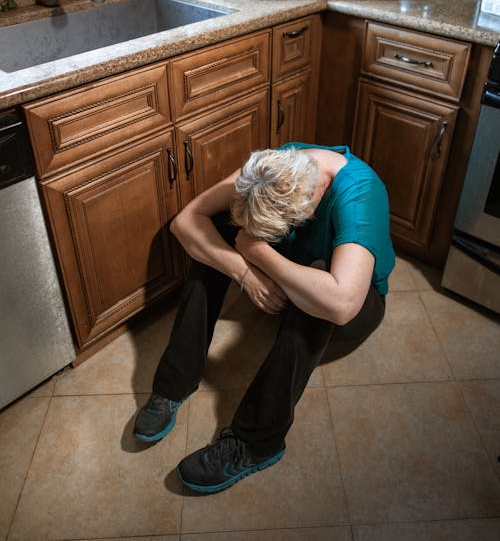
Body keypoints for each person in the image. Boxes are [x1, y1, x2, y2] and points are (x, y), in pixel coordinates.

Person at [133, 142, 395, 494]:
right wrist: (245, 273)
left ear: (308, 207)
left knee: (318, 287)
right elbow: (186, 223)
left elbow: (343, 303)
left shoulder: (361, 193)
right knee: (214, 237)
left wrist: (254, 249)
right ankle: (173, 385)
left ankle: (256, 443)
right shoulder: (272, 168)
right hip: (287, 279)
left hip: (353, 307)